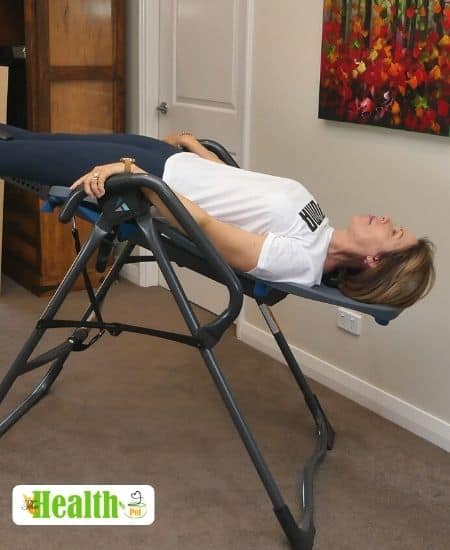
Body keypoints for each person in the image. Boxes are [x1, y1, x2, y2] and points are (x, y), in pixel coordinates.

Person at [0, 123, 435, 308]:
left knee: (14, 154)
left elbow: (207, 228)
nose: (386, 219)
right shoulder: (319, 225)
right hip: (163, 158)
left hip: (146, 177)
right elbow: (241, 187)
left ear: (376, 262)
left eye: (393, 232)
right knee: (30, 141)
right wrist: (195, 147)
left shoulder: (301, 261)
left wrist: (136, 178)